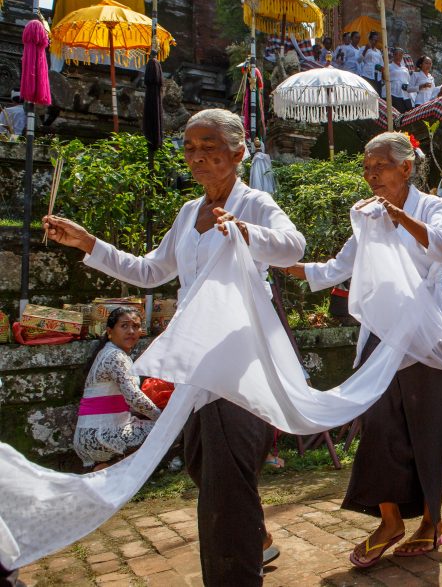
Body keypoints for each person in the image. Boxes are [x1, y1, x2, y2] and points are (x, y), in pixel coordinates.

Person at [43, 108, 306, 586]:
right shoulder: (189, 213)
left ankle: (237, 573)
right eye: (191, 149)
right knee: (205, 465)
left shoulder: (254, 203)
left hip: (239, 358)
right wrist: (89, 243)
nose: (199, 158)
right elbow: (150, 271)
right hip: (197, 363)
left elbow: (292, 247)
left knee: (225, 477)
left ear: (237, 152)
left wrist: (242, 230)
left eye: (210, 148)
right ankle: (256, 539)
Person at [283, 132, 442, 567]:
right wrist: (284, 264)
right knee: (378, 425)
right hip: (381, 332)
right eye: (366, 168)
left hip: (427, 334)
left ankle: (431, 521)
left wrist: (399, 218)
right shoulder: (365, 214)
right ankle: (390, 519)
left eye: (379, 165)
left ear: (406, 167)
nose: (371, 175)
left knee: (427, 428)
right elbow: (339, 267)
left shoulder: (431, 206)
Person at [73, 307, 161, 470]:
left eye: (135, 326)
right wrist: (162, 417)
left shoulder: (109, 353)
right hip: (101, 435)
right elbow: (134, 398)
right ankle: (111, 467)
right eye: (124, 326)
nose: (131, 331)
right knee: (172, 431)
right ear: (110, 331)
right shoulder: (115, 357)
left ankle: (107, 466)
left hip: (90, 435)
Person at [388, 47, 413, 113]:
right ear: (393, 55)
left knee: (407, 113)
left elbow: (409, 80)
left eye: (400, 55)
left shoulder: (405, 68)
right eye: (396, 54)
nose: (398, 57)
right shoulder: (389, 66)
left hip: (405, 94)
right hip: (394, 93)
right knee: (397, 112)